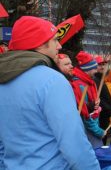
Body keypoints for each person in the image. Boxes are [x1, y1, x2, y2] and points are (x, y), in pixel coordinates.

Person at [0, 16, 99, 169]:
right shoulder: (52, 80)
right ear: (39, 44)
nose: (59, 45)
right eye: (54, 40)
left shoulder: (3, 79)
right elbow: (74, 143)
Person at [72, 51, 105, 149]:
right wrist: (99, 131)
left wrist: (96, 105)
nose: (96, 70)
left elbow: (89, 107)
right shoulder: (80, 85)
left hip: (93, 127)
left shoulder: (89, 82)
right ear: (88, 69)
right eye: (94, 68)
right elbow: (84, 114)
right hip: (88, 131)